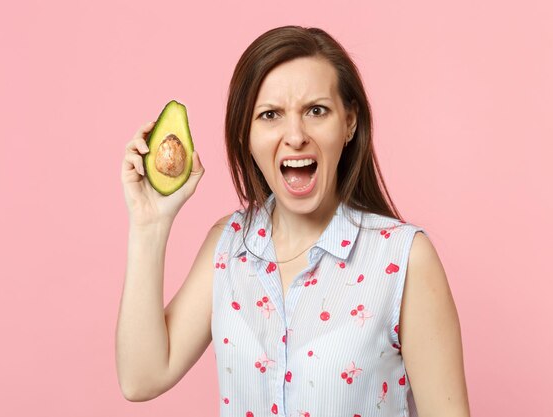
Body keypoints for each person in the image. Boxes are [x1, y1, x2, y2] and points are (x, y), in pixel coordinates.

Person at [116, 25, 471, 417]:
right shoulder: (228, 245)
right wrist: (149, 225)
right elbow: (141, 378)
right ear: (244, 136)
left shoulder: (405, 259)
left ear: (349, 122)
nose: (295, 135)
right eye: (270, 115)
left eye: (316, 111)